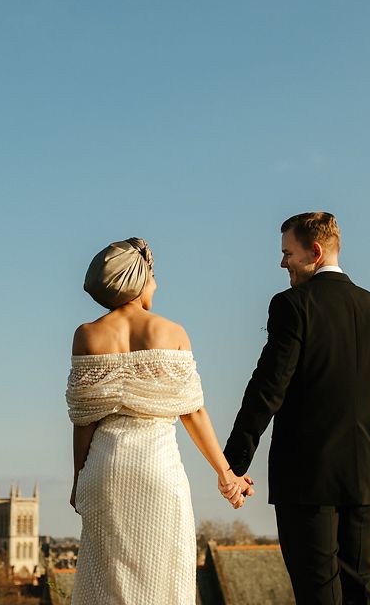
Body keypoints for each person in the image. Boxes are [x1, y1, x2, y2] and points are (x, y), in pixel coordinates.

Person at [223, 212, 370, 605]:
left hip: (305, 481)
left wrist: (234, 463)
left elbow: (268, 389)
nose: (282, 263)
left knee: (318, 596)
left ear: (316, 251)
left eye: (287, 253)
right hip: (364, 479)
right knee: (359, 593)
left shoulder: (293, 306)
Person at [66, 237, 250, 605]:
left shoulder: (86, 335)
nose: (157, 284)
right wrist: (225, 473)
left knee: (106, 577)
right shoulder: (172, 333)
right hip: (158, 468)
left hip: (106, 470)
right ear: (140, 279)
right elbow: (193, 411)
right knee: (164, 574)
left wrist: (78, 479)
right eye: (153, 276)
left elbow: (83, 421)